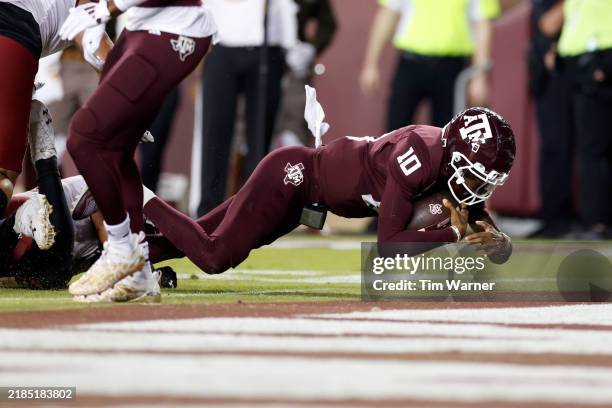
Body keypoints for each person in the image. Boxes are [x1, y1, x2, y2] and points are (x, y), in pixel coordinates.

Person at [141, 106, 516, 277]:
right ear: (454, 157)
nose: (476, 189)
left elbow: (480, 223)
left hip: (307, 198)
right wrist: (450, 233)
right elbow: (388, 246)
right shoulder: (417, 155)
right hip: (293, 177)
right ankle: (134, 191)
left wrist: (501, 243)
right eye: (473, 177)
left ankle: (106, 256)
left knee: (193, 239)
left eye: (484, 182)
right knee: (213, 256)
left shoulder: (455, 168)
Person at [59, 0, 216, 299]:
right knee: (117, 149)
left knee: (84, 137)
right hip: (144, 22)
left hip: (173, 27)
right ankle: (141, 270)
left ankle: (120, 248)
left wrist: (108, 7)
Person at [196, 0, 298, 216]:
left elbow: (285, 6)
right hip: (221, 43)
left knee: (260, 134)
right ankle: (209, 209)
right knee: (215, 131)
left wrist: (289, 45)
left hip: (266, 46)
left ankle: (254, 210)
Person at [360, 0, 500, 131]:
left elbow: (482, 23)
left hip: (451, 69)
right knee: (394, 135)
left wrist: (480, 77)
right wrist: (370, 64)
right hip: (410, 64)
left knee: (447, 138)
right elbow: (388, 13)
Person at [558, 0, 612, 240]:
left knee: (593, 150)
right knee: (591, 149)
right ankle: (595, 220)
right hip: (582, 63)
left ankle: (598, 222)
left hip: (599, 60)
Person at [528, 0, 575, 238]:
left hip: (589, 69)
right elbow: (548, 24)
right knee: (554, 147)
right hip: (551, 76)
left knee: (593, 149)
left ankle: (594, 220)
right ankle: (554, 219)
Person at [277, 0, 337, 147]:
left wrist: (311, 48)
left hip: (295, 60)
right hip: (254, 56)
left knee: (297, 122)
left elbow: (327, 23)